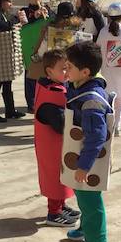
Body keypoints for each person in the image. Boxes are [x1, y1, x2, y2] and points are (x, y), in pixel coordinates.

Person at [63, 40, 113, 242]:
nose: (65, 71)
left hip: (89, 160)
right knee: (83, 199)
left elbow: (96, 137)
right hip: (84, 159)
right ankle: (87, 229)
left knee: (91, 201)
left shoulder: (91, 101)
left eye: (69, 68)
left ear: (85, 72)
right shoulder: (83, 86)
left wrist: (84, 166)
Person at [33, 49, 80, 227]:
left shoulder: (47, 86)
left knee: (61, 175)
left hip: (50, 142)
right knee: (55, 176)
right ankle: (53, 213)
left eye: (68, 68)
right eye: (62, 69)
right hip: (51, 144)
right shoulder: (53, 92)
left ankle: (60, 205)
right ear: (49, 72)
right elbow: (61, 122)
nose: (67, 73)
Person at [96, 2, 121, 134]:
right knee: (119, 100)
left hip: (107, 70)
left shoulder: (103, 31)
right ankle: (117, 126)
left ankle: (107, 124)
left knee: (107, 98)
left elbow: (98, 48)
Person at [19, 0, 49, 112]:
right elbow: (23, 24)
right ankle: (31, 104)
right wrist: (34, 17)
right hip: (29, 47)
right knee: (30, 74)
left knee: (44, 74)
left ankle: (43, 100)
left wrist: (46, 16)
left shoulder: (46, 9)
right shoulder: (23, 11)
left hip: (42, 46)